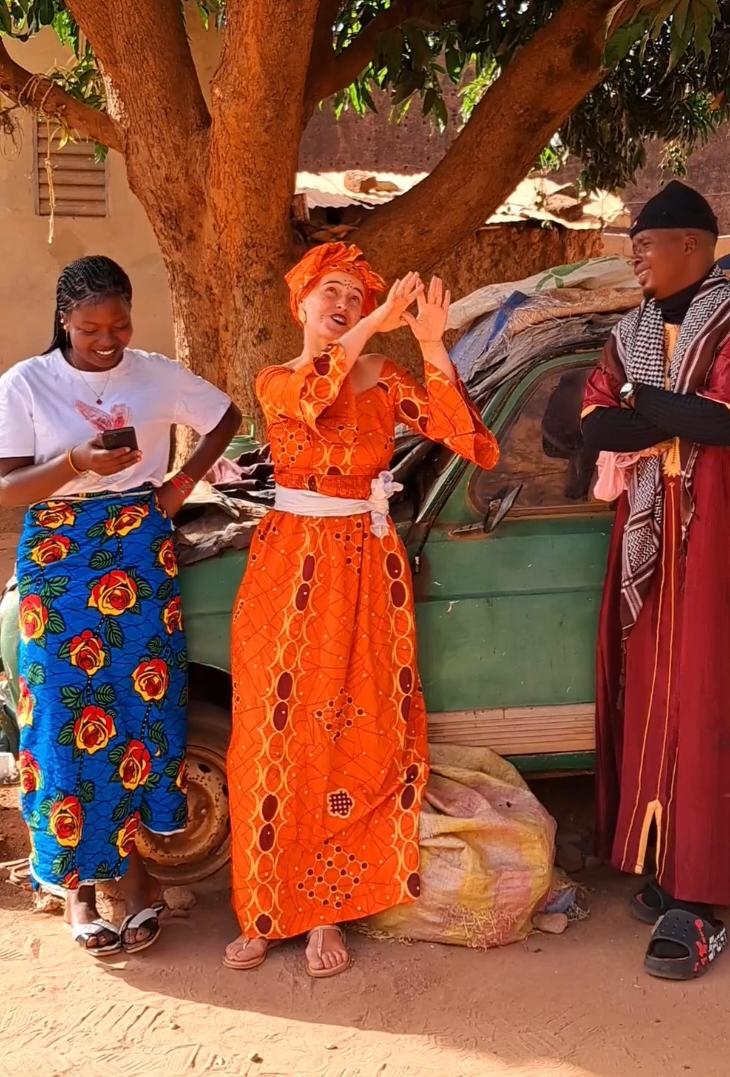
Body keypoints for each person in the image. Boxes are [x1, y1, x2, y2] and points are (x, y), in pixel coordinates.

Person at [224, 243, 498, 976]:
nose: (342, 304)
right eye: (331, 293)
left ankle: (327, 913)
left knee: (353, 733)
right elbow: (316, 394)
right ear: (302, 303)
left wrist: (433, 344)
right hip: (291, 565)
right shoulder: (278, 380)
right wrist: (377, 321)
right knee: (271, 734)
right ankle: (263, 907)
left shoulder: (386, 377)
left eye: (356, 295)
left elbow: (463, 434)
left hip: (366, 566)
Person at [0, 256, 241, 956]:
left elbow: (225, 417)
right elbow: (8, 490)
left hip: (139, 546)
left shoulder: (155, 373)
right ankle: (77, 885)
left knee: (139, 707)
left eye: (119, 325)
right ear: (64, 321)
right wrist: (76, 463)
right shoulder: (27, 384)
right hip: (57, 554)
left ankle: (136, 880)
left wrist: (177, 484)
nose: (107, 340)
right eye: (91, 328)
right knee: (64, 716)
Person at [581, 183, 730, 980]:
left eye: (647, 244)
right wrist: (662, 404)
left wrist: (644, 402)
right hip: (647, 539)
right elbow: (593, 421)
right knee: (651, 698)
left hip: (716, 538)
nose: (634, 257)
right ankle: (664, 859)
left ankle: (702, 899)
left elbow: (729, 423)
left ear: (695, 247)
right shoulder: (628, 332)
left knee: (709, 706)